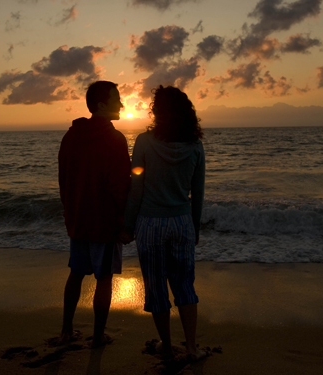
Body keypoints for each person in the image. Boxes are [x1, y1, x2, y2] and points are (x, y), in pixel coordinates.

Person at [123, 85, 206, 360]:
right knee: (185, 286)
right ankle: (192, 347)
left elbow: (136, 188)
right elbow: (198, 191)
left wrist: (127, 224)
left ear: (157, 111)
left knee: (157, 289)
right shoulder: (195, 146)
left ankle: (168, 347)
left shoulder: (145, 142)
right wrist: (194, 226)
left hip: (150, 224)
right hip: (182, 223)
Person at [58, 80, 131, 347]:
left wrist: (70, 212)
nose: (121, 104)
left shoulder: (70, 137)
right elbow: (120, 186)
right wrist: (125, 222)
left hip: (78, 218)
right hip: (104, 222)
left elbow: (63, 180)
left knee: (76, 274)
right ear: (101, 105)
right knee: (103, 279)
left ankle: (66, 330)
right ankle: (98, 336)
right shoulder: (114, 139)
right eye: (116, 99)